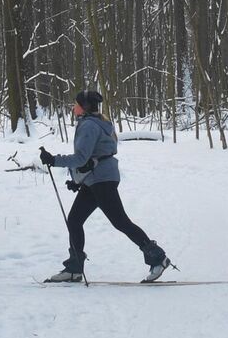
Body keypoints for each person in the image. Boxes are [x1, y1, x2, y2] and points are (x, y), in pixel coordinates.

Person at [38, 89, 170, 284]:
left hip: (101, 180)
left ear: (84, 107)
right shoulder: (99, 122)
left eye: (76, 104)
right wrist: (78, 181)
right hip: (97, 179)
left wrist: (54, 160)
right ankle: (74, 268)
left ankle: (158, 258)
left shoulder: (89, 126)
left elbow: (81, 158)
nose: (73, 107)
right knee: (74, 220)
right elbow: (94, 157)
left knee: (121, 222)